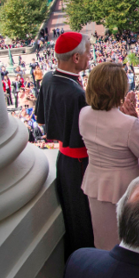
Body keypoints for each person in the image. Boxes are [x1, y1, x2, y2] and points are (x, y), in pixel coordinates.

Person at [79, 61, 139, 250]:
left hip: (95, 184)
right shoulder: (127, 124)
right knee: (128, 245)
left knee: (103, 241)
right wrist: (134, 121)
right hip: (124, 189)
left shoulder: (84, 114)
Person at [35, 32, 95, 259]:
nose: (90, 56)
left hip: (64, 159)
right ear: (76, 58)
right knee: (84, 220)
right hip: (81, 163)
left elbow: (41, 120)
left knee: (73, 215)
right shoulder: (79, 94)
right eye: (88, 53)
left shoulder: (48, 78)